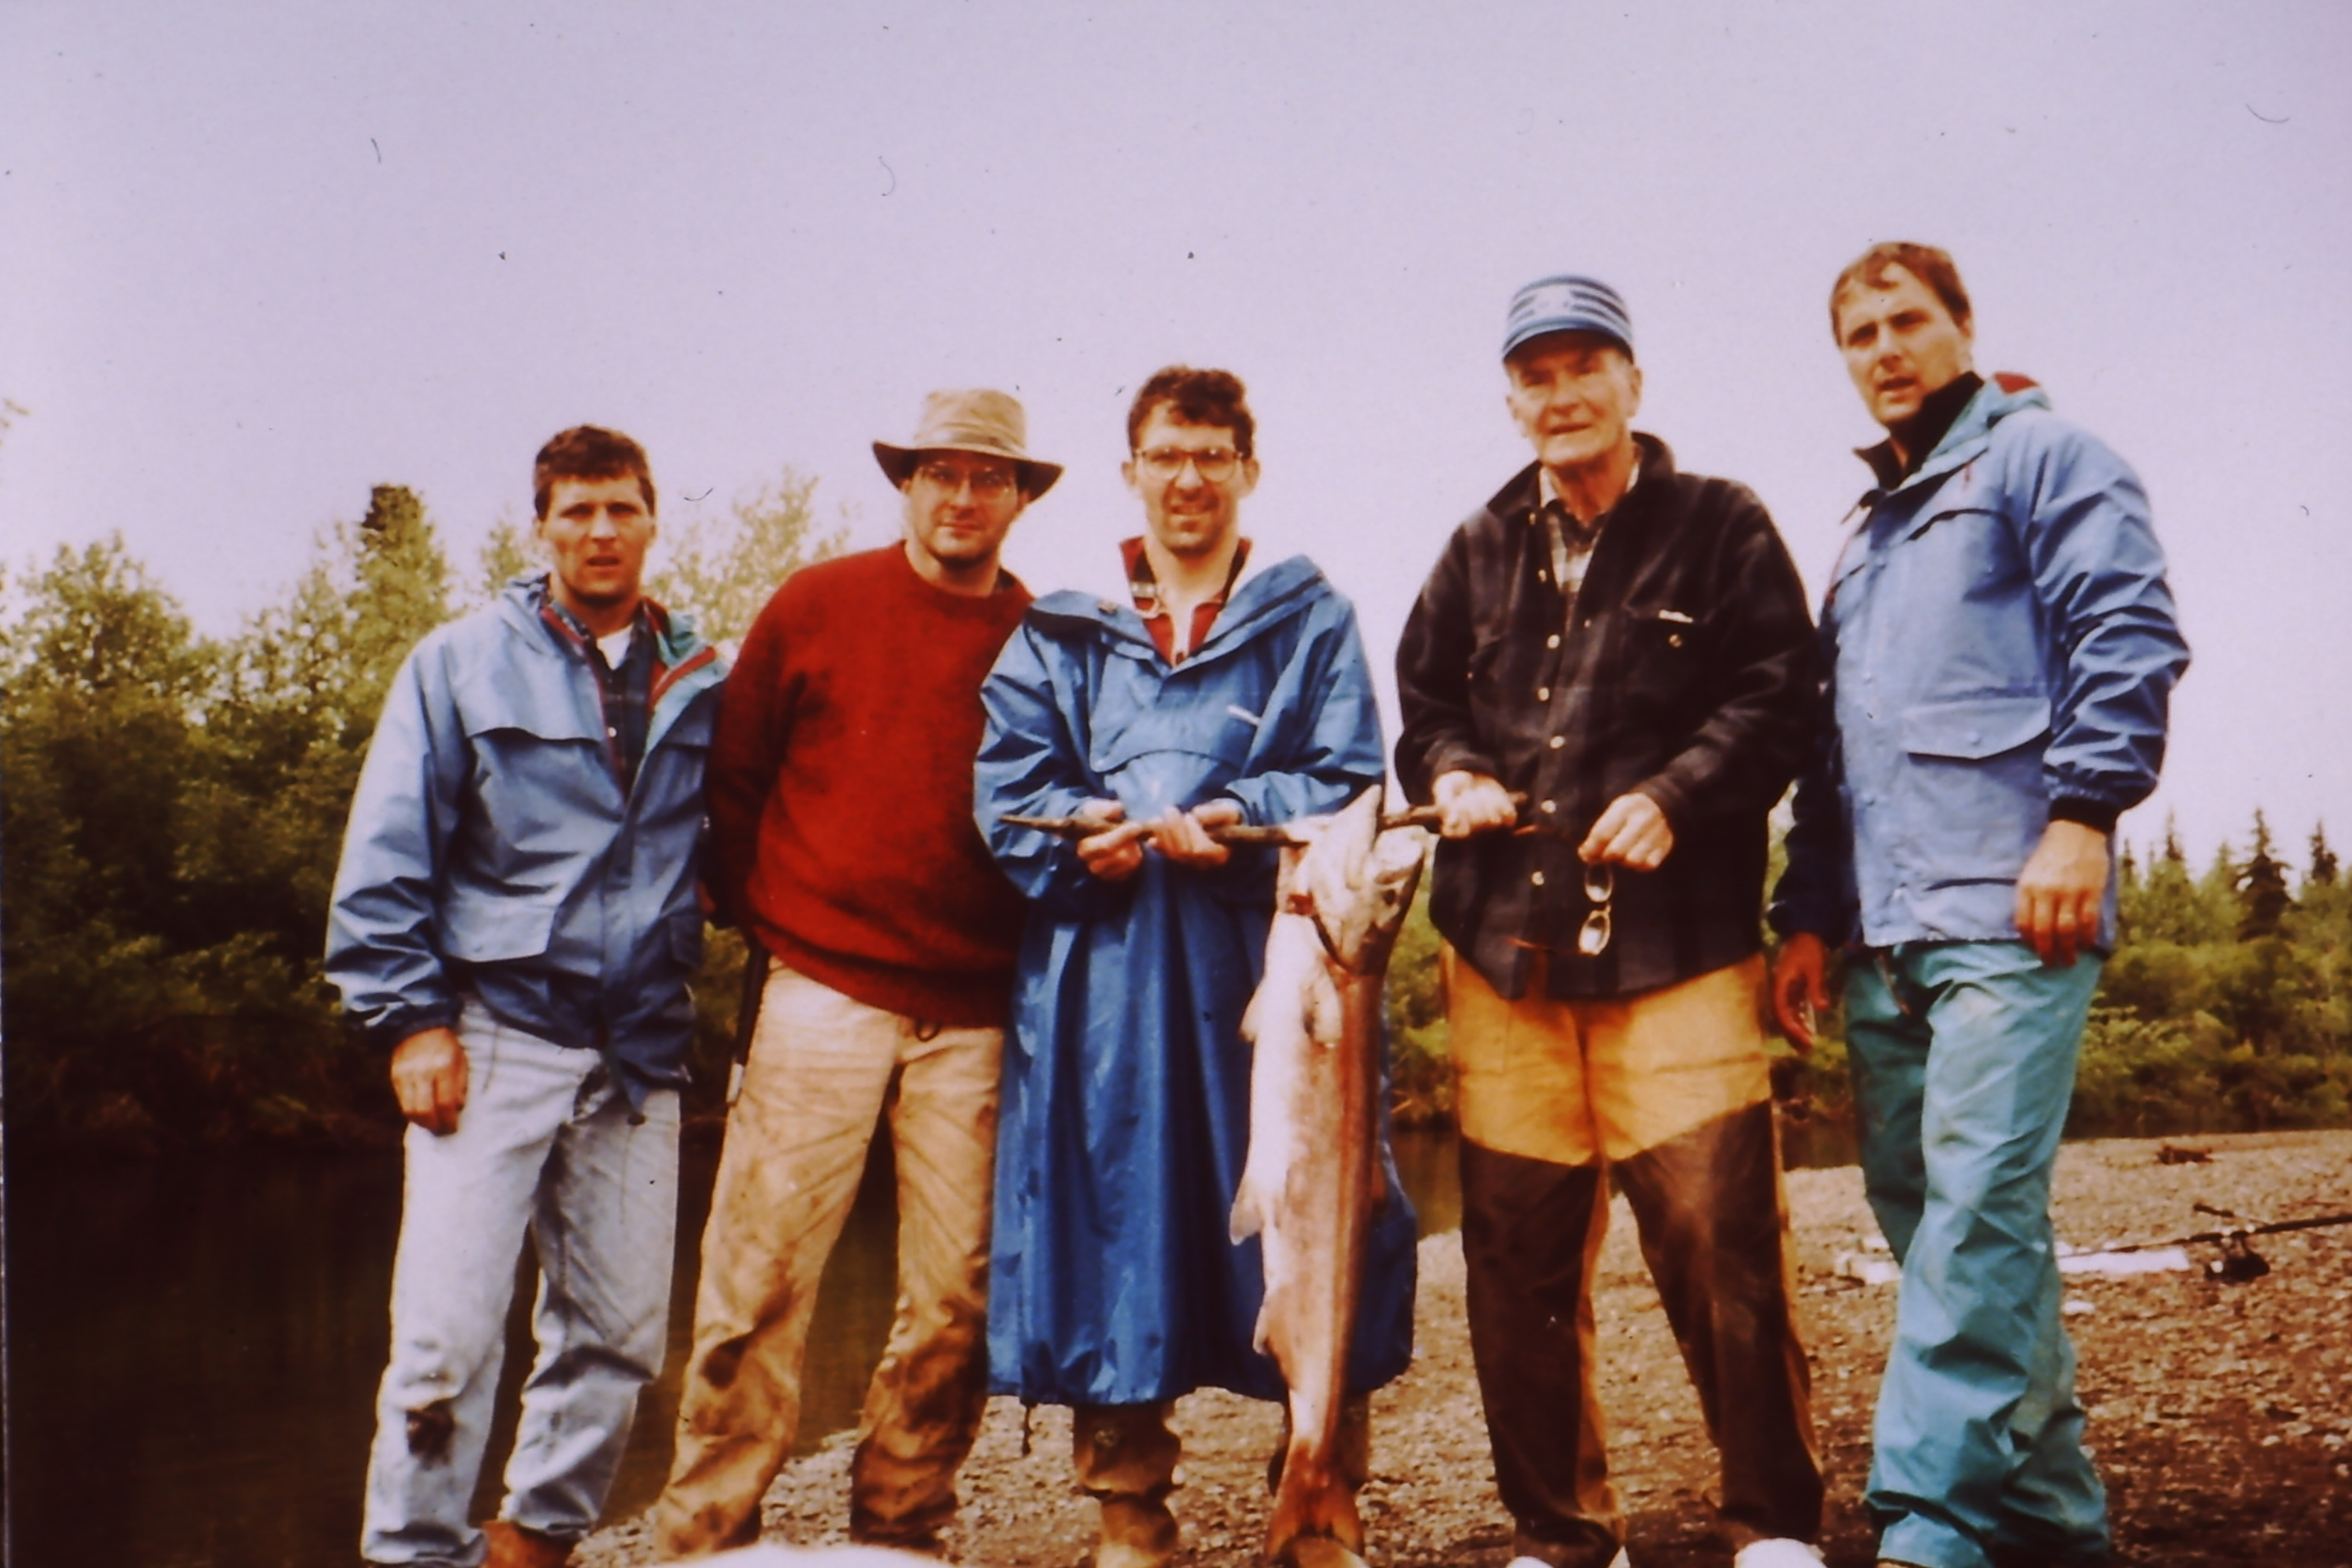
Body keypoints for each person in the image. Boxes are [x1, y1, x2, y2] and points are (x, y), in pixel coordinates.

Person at [1393, 276, 1826, 1568]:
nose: (1562, 394)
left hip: (1678, 956)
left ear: (1634, 380)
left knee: (1720, 1244)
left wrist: (1676, 796)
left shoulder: (1722, 524)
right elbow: (1425, 708)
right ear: (1511, 400)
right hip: (1502, 963)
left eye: (1586, 366)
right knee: (1514, 1264)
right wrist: (1453, 774)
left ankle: (1773, 1523)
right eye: (1536, 375)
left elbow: (1781, 698)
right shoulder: (1474, 546)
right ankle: (1564, 1535)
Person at [1770, 243, 2189, 1568]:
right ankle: (2056, 1523)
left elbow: (2128, 631)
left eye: (1907, 321)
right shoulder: (1866, 532)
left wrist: (2084, 817)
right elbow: (1832, 751)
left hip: (2016, 912)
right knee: (1938, 1220)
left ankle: (1931, 1527)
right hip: (1885, 936)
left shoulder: (2048, 459)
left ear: (1963, 325)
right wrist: (1807, 914)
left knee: (1975, 1217)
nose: (1884, 350)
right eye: (1859, 335)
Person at [974, 366, 1419, 1568]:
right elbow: (1009, 793)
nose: (1188, 478)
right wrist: (1090, 833)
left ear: (1247, 471)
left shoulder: (1312, 618)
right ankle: (1131, 1517)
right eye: (1166, 455)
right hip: (1106, 986)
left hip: (1276, 966)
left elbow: (1349, 779)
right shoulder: (1061, 635)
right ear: (1131, 472)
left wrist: (1239, 811)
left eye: (1211, 455)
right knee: (1109, 1225)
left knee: (1322, 1202)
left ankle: (1320, 1494)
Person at [651, 390, 1059, 1559]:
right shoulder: (817, 604)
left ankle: (901, 1527)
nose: (963, 497)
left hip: (977, 1012)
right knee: (757, 1284)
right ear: (907, 484)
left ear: (1020, 498)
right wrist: (782, 925)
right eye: (941, 473)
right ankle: (706, 1534)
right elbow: (734, 783)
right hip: (819, 993)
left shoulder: (1045, 640)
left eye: (989, 478)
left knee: (958, 1301)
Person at [327, 426, 724, 1568]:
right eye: (577, 511)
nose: (601, 532)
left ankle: (539, 1539)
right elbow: (389, 853)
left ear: (654, 521)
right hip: (492, 1036)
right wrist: (412, 1021)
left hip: (640, 1050)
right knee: (444, 1341)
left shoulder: (708, 678)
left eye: (622, 509)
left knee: (620, 1337)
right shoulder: (458, 663)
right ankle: (415, 1550)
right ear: (540, 526)